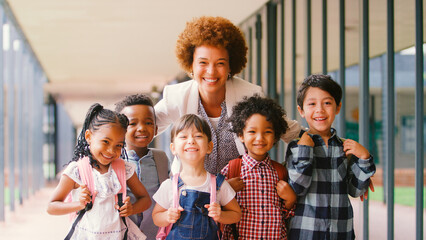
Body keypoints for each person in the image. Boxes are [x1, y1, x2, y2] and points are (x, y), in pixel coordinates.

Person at [154, 16, 302, 176]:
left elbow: (290, 131)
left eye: (220, 63)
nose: (211, 71)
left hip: (242, 193)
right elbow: (141, 127)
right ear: (191, 64)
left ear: (231, 65)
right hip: (191, 192)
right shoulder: (177, 96)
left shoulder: (249, 94)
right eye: (203, 63)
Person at [285, 74, 376, 240]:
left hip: (341, 232)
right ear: (301, 110)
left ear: (338, 107)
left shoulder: (345, 147)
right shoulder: (297, 146)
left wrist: (364, 157)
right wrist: (305, 150)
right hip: (305, 232)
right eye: (312, 104)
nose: (320, 109)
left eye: (327, 103)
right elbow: (298, 187)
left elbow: (356, 190)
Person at [47, 103, 151, 240]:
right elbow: (51, 207)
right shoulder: (77, 171)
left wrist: (132, 208)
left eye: (118, 145)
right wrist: (78, 204)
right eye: (105, 142)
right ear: (89, 136)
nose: (111, 151)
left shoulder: (124, 169)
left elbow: (145, 200)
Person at [152, 114, 241, 240]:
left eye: (198, 136)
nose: (191, 141)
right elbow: (156, 217)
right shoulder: (169, 185)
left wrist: (220, 215)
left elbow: (236, 214)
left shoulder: (218, 184)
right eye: (183, 136)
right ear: (173, 148)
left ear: (209, 147)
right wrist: (167, 216)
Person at [220, 95, 297, 240]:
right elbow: (213, 204)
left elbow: (286, 215)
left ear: (275, 136)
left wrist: (290, 200)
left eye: (267, 132)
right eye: (252, 132)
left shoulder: (280, 172)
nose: (260, 138)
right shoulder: (232, 170)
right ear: (240, 135)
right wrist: (225, 189)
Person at [115, 94, 170, 239]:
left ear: (156, 129)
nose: (141, 128)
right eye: (132, 123)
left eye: (148, 123)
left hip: (155, 234)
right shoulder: (114, 162)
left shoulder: (161, 159)